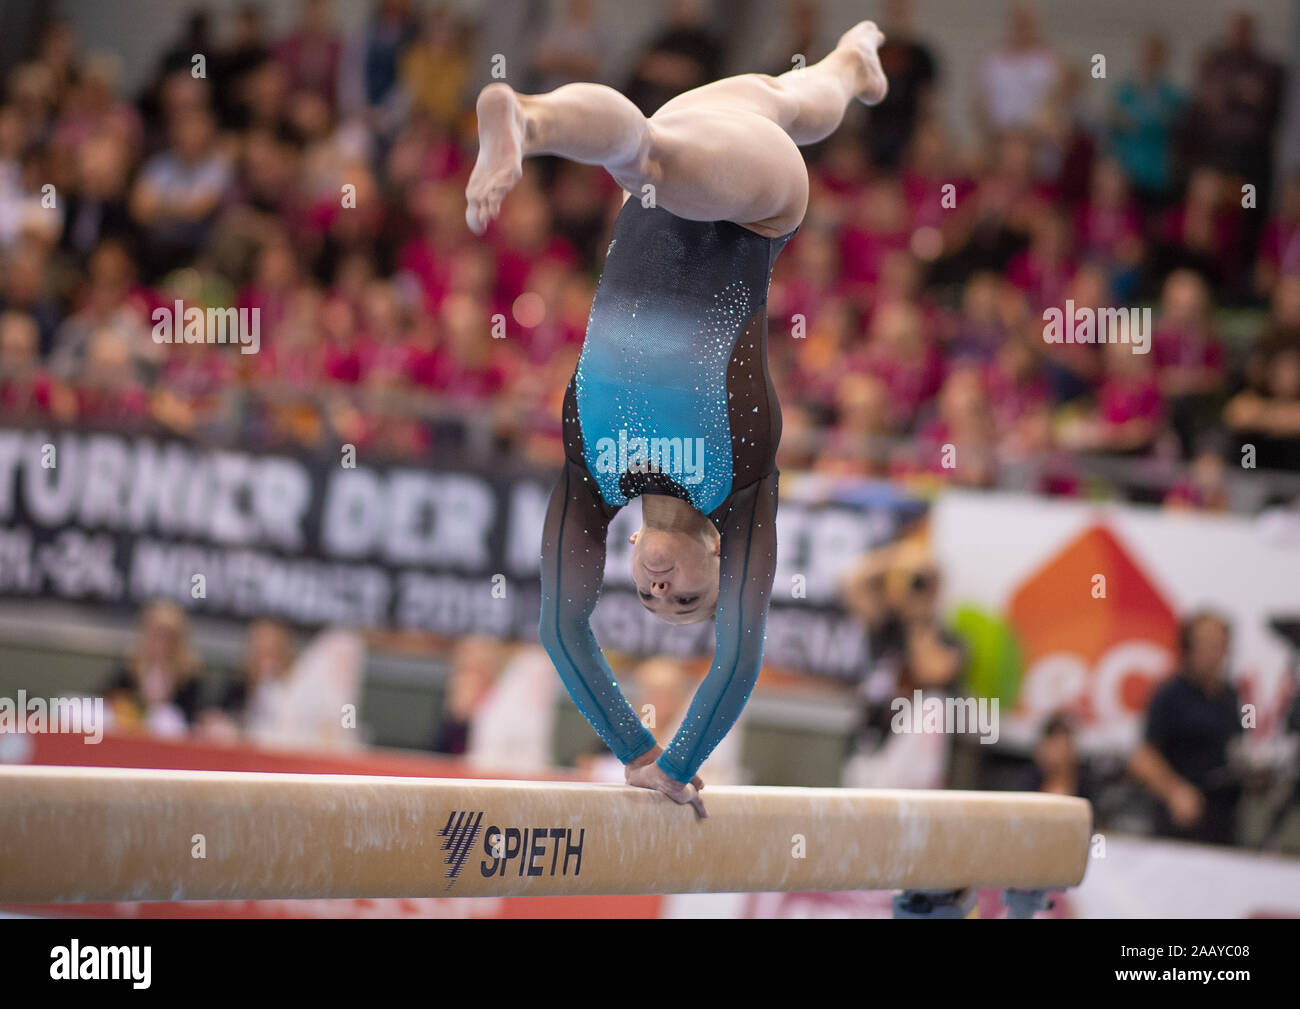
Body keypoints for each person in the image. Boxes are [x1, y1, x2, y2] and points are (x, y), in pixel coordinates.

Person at [465, 22, 890, 816]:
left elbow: (560, 627)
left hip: (691, 144)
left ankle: (850, 64)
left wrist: (634, 751)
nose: (662, 592)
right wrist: (675, 760)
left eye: (651, 599)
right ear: (718, 558)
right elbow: (739, 659)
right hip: (756, 206)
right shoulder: (741, 482)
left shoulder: (593, 471)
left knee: (771, 107)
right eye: (688, 599)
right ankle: (527, 117)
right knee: (656, 158)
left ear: (629, 554)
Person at [1129, 610, 1243, 845]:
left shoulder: (1230, 696)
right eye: (1206, 644)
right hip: (1179, 822)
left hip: (1223, 820)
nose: (1213, 653)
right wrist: (1175, 791)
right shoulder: (1169, 694)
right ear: (1188, 647)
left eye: (1219, 645)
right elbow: (1143, 758)